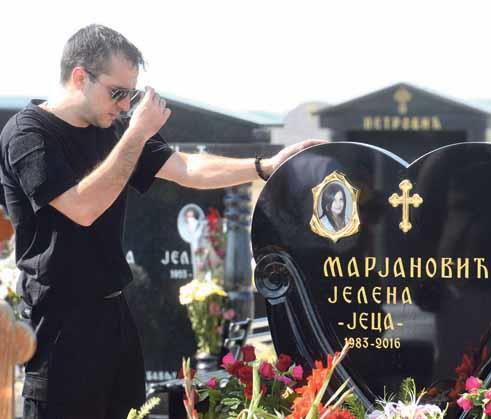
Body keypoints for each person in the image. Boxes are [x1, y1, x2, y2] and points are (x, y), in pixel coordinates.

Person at [0, 24, 323, 419]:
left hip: (114, 314)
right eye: (117, 93)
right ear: (80, 77)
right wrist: (136, 132)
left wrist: (264, 166)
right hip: (60, 321)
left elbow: (186, 168)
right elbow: (82, 207)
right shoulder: (29, 134)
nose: (124, 106)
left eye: (131, 95)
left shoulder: (117, 130)